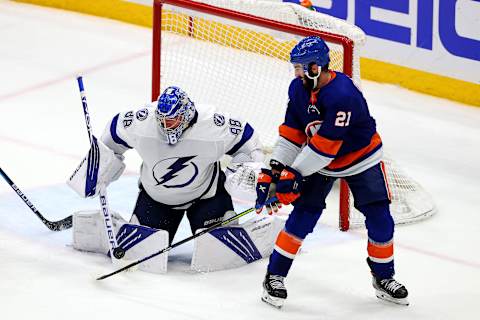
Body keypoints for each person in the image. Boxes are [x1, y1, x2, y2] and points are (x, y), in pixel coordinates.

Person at [255, 36, 409, 308]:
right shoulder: (298, 89)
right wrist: (275, 169)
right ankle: (274, 276)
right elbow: (291, 133)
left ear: (317, 67)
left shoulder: (343, 94)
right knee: (303, 216)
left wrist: (293, 175)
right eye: (296, 68)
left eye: (302, 68)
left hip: (360, 157)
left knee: (381, 218)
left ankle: (384, 277)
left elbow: (326, 146)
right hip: (319, 160)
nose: (297, 74)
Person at [85, 86, 263, 244]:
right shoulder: (142, 123)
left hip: (206, 197)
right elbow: (112, 135)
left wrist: (248, 175)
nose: (166, 125)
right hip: (157, 199)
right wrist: (98, 168)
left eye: (172, 120)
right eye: (162, 119)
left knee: (220, 247)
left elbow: (247, 142)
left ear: (186, 114)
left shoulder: (212, 125)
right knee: (142, 249)